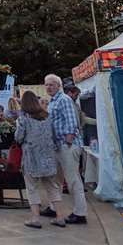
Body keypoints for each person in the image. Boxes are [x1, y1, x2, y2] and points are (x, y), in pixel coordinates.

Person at [16, 90, 65, 228]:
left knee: (32, 188)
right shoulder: (47, 117)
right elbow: (53, 135)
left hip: (31, 157)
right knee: (52, 187)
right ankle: (60, 216)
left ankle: (35, 218)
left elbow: (19, 137)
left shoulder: (23, 119)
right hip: (48, 156)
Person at [44, 74, 87, 224]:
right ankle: (53, 207)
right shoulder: (54, 101)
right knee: (56, 179)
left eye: (51, 84)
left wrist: (68, 141)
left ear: (58, 85)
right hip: (58, 145)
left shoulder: (63, 100)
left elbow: (71, 121)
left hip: (66, 145)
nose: (48, 87)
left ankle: (80, 213)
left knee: (72, 180)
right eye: (47, 85)